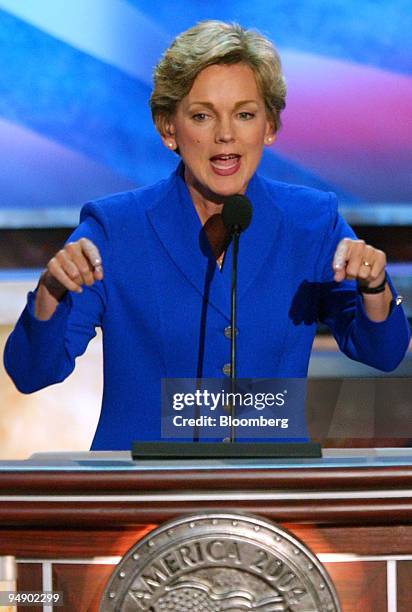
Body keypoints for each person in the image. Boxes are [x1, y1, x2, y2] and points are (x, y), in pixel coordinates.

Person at [4, 21, 410, 450]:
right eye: (202, 115)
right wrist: (49, 293)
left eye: (245, 114)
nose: (225, 134)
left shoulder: (312, 223)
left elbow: (381, 353)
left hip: (271, 496)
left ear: (269, 127)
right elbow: (32, 372)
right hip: (141, 499)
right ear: (168, 129)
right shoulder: (115, 229)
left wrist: (374, 287)